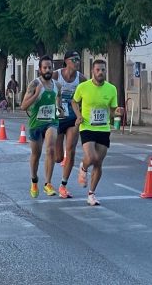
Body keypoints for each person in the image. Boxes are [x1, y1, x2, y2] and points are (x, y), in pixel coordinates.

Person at [72, 59, 124, 206]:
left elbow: (113, 110)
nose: (101, 72)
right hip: (87, 127)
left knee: (98, 163)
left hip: (103, 128)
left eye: (103, 70)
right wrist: (78, 115)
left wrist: (118, 111)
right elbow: (74, 101)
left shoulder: (111, 89)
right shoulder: (83, 87)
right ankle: (83, 167)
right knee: (92, 157)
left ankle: (91, 194)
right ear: (92, 72)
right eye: (98, 70)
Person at [21, 55, 64, 198]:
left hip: (51, 122)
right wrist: (36, 94)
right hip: (36, 124)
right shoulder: (34, 84)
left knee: (51, 149)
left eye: (50, 67)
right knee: (36, 154)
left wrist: (61, 110)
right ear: (40, 69)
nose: (47, 70)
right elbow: (23, 106)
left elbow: (59, 104)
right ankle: (34, 181)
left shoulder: (57, 86)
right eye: (44, 67)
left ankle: (48, 183)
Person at [53, 51, 86, 199]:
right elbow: (42, 85)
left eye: (78, 59)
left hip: (73, 117)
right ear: (66, 61)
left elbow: (88, 95)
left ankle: (63, 185)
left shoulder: (81, 78)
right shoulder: (56, 75)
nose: (77, 62)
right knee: (58, 157)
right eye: (74, 59)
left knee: (71, 150)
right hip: (59, 117)